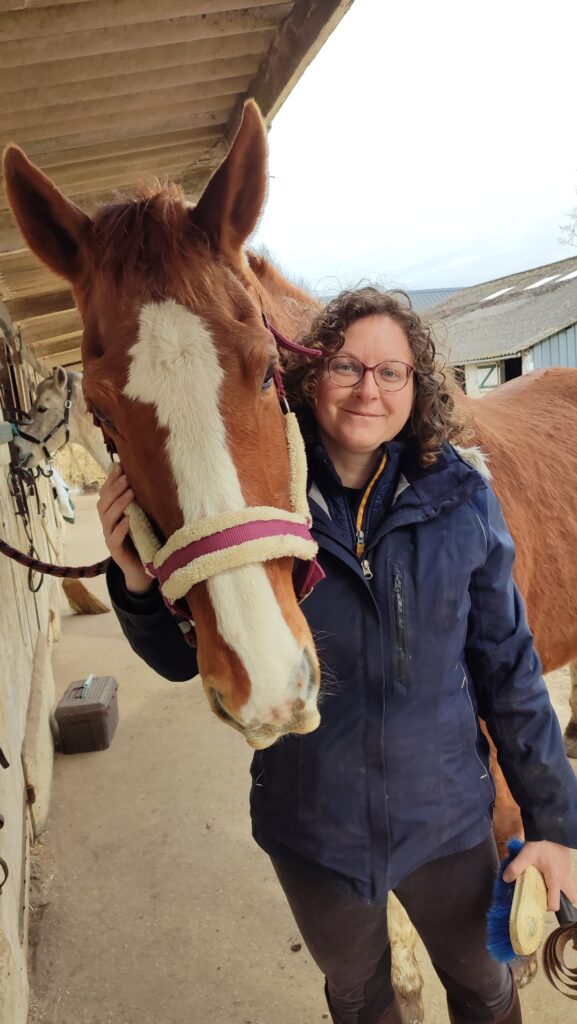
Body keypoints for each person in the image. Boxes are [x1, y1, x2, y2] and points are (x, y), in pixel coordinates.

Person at [98, 288, 577, 1024]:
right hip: (312, 832)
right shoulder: (257, 508)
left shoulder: (461, 501)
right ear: (307, 377)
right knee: (356, 995)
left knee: (483, 986)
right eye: (347, 366)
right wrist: (134, 582)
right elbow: (180, 661)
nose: (367, 388)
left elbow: (508, 672)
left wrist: (552, 825)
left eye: (392, 371)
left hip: (445, 821)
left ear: (416, 387)